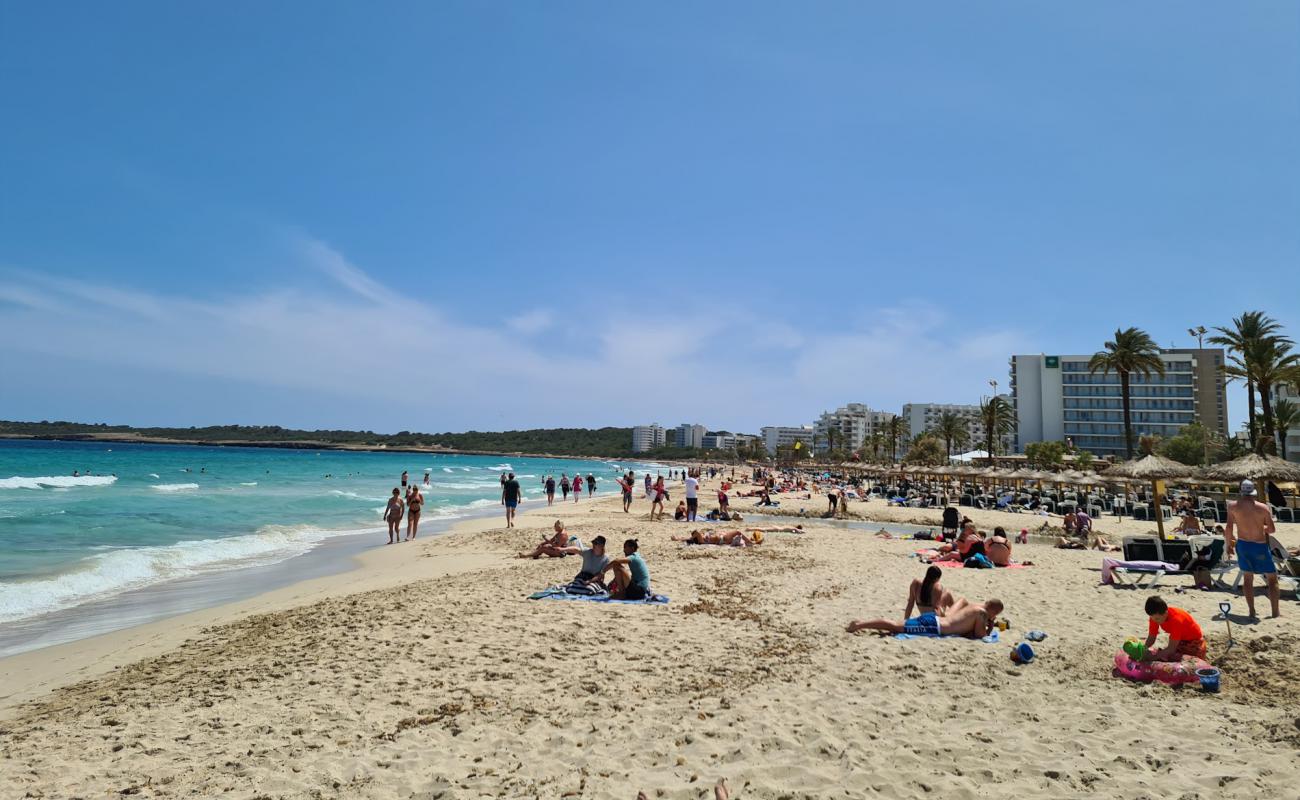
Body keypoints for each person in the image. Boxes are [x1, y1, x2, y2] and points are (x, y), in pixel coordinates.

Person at [1225, 479, 1280, 618]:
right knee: (1272, 579)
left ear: (1241, 492)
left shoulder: (1232, 506)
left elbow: (1229, 527)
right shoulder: (1263, 508)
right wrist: (1260, 527)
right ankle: (1275, 612)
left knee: (1248, 579)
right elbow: (1272, 529)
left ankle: (1252, 611)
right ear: (1253, 492)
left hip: (1243, 545)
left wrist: (1228, 545)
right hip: (1259, 545)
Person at [847, 599, 1004, 639]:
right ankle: (859, 625)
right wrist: (989, 628)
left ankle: (860, 624)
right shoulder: (982, 614)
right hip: (934, 627)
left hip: (934, 620)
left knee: (897, 625)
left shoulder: (975, 605)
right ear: (993, 611)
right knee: (895, 627)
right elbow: (980, 636)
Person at [1141, 595, 1207, 661]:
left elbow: (1171, 648)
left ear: (1165, 613)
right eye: (1152, 618)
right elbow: (1151, 637)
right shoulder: (1154, 617)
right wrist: (1143, 649)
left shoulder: (1176, 620)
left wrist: (1153, 658)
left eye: (1157, 619)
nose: (1154, 621)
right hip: (1181, 640)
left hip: (1195, 642)